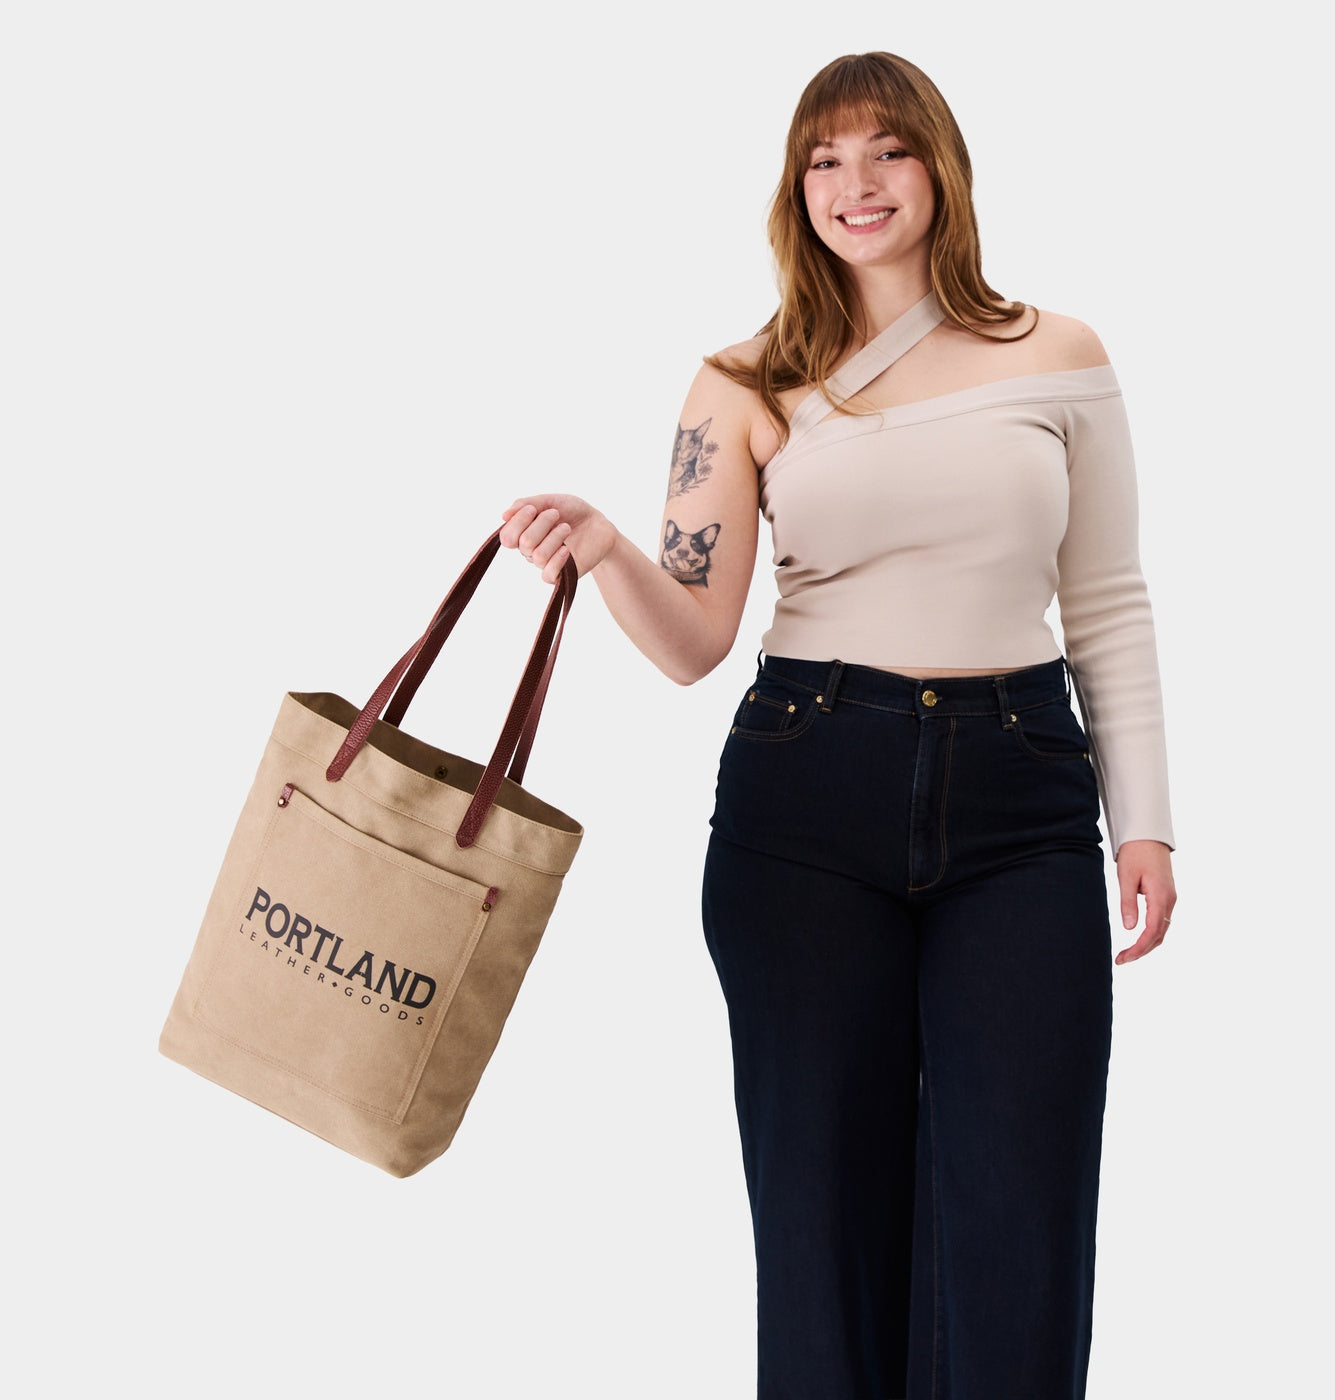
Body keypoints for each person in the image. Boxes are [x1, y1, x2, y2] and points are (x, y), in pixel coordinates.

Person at [500, 50, 1176, 1400]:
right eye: (825, 160)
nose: (856, 186)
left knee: (1022, 1223)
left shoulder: (1058, 353)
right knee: (824, 1226)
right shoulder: (745, 382)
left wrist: (1144, 822)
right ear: (793, 188)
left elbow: (1104, 599)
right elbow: (695, 638)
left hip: (1021, 799)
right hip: (809, 796)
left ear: (942, 169)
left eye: (887, 153)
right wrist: (609, 552)